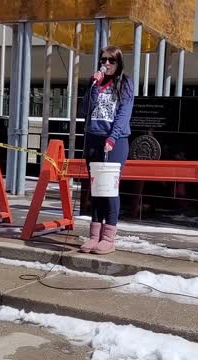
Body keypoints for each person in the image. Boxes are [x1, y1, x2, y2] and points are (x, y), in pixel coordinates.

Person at [79, 45, 134, 255]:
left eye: (112, 60)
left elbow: (124, 113)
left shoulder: (125, 82)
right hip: (93, 138)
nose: (107, 64)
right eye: (104, 60)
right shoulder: (96, 82)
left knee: (109, 189)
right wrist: (94, 85)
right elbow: (86, 109)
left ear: (119, 63)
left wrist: (112, 137)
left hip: (115, 141)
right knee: (96, 189)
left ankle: (109, 237)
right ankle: (94, 235)